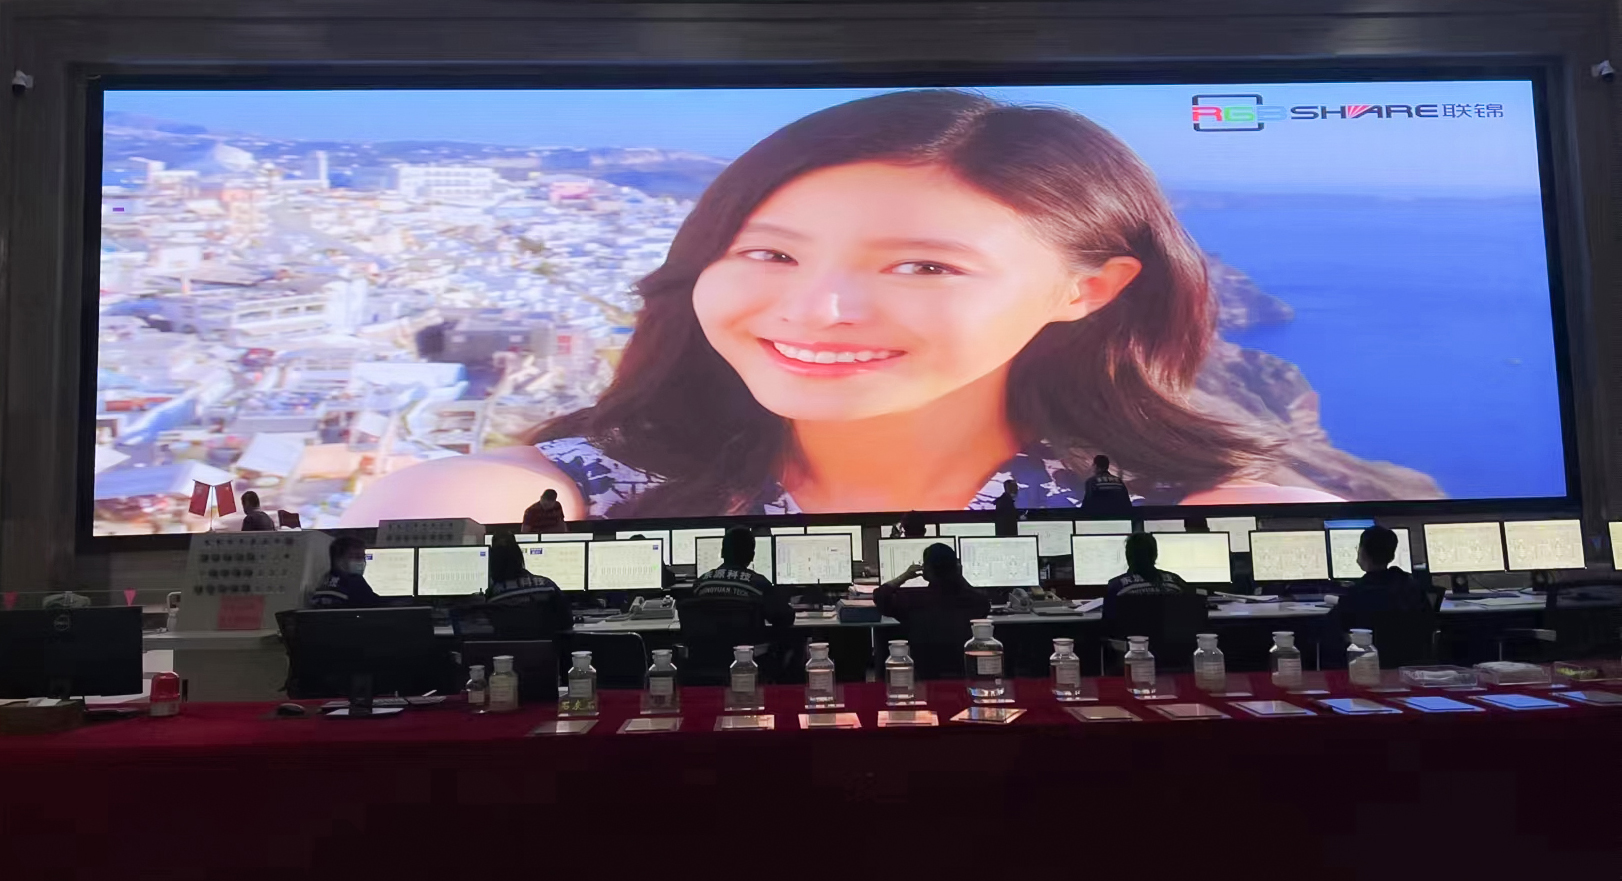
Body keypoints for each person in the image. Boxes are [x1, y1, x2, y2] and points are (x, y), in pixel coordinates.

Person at [339, 89, 1342, 528]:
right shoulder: (556, 503)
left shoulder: (1200, 524)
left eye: (922, 266)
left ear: (1085, 289)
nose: (817, 308)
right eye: (768, 253)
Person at [679, 528, 795, 673]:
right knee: (794, 641)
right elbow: (785, 617)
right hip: (747, 662)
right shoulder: (758, 584)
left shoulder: (701, 583)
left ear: (722, 553)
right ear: (751, 556)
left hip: (704, 662)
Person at [874, 542, 991, 678]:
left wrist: (905, 576)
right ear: (956, 568)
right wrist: (957, 574)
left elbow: (880, 595)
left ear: (927, 570)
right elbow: (981, 600)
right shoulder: (976, 601)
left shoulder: (912, 600)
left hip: (924, 677)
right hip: (963, 674)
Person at [1321, 526, 1434, 667]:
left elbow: (1333, 630)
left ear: (1362, 552)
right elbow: (1429, 623)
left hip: (1369, 666)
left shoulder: (1358, 593)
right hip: (1411, 665)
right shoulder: (1411, 586)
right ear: (1392, 556)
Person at [1101, 533, 1203, 633]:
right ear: (1155, 555)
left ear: (1128, 556)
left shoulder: (1117, 587)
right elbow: (1195, 608)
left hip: (1132, 643)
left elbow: (1108, 625)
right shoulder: (1176, 582)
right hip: (1173, 643)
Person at [482, 533, 572, 639]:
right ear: (520, 559)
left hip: (509, 649)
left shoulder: (493, 598)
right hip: (546, 648)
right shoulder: (548, 586)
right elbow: (567, 622)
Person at [308, 536, 383, 609]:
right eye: (357, 557)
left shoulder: (324, 580)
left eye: (363, 557)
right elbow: (377, 606)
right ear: (338, 559)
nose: (362, 561)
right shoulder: (354, 581)